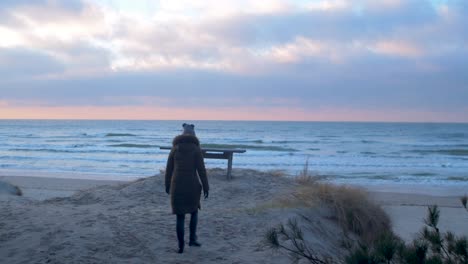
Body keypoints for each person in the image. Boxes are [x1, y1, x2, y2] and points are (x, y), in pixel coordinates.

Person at [165, 123, 209, 254]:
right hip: (192, 185)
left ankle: (180, 246)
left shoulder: (175, 148)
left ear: (182, 134)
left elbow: (169, 170)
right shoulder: (196, 149)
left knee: (180, 216)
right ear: (194, 135)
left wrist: (167, 185)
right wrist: (206, 186)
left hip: (177, 185)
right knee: (194, 211)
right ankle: (192, 239)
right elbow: (201, 170)